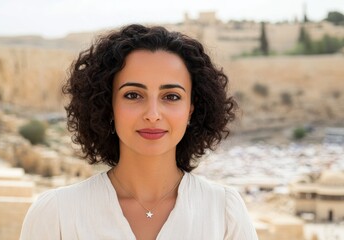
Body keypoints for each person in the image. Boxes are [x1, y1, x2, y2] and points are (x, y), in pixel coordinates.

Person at [20, 24, 258, 240]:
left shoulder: (225, 213)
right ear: (107, 105)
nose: (153, 114)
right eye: (133, 95)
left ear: (191, 110)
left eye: (171, 97)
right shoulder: (56, 215)